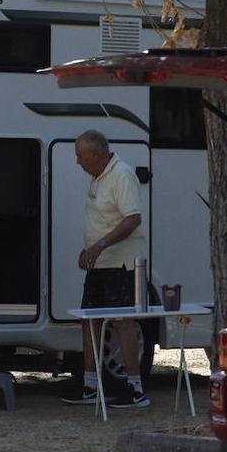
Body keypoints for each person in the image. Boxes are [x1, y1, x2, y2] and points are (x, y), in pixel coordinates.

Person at [61, 129, 150, 409]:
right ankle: (90, 385)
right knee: (89, 320)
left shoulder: (121, 175)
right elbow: (101, 218)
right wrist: (89, 248)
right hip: (99, 264)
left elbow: (133, 219)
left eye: (80, 156)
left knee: (123, 322)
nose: (77, 162)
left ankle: (136, 390)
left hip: (120, 264)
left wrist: (99, 244)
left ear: (96, 155)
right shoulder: (98, 177)